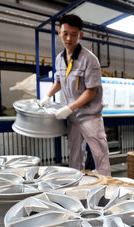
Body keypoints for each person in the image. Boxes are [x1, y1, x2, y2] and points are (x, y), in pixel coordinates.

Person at [40, 14, 111, 176]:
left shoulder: (89, 59)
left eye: (74, 34)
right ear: (59, 33)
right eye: (65, 33)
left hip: (90, 116)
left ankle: (107, 186)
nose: (69, 38)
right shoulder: (59, 59)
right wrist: (47, 96)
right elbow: (58, 82)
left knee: (100, 154)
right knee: (75, 154)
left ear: (81, 35)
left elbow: (91, 91)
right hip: (73, 117)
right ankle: (75, 185)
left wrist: (69, 108)